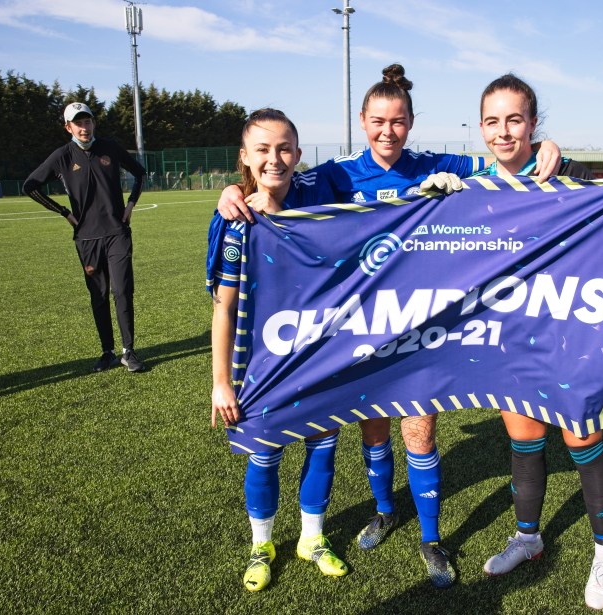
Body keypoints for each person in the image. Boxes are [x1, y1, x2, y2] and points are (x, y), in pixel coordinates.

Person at [216, 63, 564, 589]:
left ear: (411, 122)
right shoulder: (336, 174)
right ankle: (383, 511)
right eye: (378, 121)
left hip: (419, 326)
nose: (387, 131)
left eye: (398, 121)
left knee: (419, 429)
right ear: (362, 121)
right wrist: (233, 195)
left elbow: (503, 157)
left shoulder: (436, 162)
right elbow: (278, 184)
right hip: (359, 329)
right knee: (372, 427)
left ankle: (431, 537)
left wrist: (547, 148)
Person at [464, 74, 603, 610]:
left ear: (533, 124)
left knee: (582, 443)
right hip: (511, 338)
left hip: (572, 336)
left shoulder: (569, 173)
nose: (503, 131)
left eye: (514, 120)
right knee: (525, 443)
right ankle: (528, 536)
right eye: (492, 121)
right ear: (480, 127)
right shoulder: (474, 187)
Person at [209, 108, 348, 593]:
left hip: (319, 356)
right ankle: (261, 544)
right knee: (264, 455)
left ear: (299, 153)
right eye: (263, 150)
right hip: (261, 365)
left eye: (284, 148)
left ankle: (312, 537)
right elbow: (223, 308)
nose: (275, 159)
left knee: (323, 448)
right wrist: (221, 382)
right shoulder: (236, 222)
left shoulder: (319, 198)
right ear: (244, 158)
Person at [24, 103, 148, 373]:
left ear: (93, 123)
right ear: (68, 127)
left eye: (87, 121)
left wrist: (131, 204)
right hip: (87, 238)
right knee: (99, 295)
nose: (84, 127)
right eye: (78, 123)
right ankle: (108, 351)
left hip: (117, 232)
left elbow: (140, 173)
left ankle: (129, 351)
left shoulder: (110, 147)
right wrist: (64, 213)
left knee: (123, 290)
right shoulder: (62, 156)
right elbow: (30, 186)